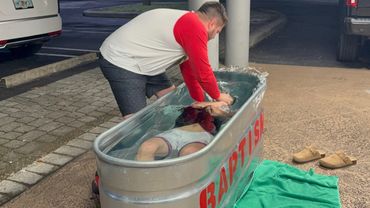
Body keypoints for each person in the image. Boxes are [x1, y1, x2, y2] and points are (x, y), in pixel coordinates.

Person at [99, 2, 234, 119]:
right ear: (212, 24)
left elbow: (190, 70)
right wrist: (218, 96)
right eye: (217, 31)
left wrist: (200, 101)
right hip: (121, 60)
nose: (215, 36)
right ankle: (133, 146)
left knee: (172, 99)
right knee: (135, 121)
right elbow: (203, 72)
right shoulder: (195, 27)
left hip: (145, 61)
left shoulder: (189, 21)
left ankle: (169, 131)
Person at [136, 101, 234, 161]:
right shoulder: (198, 101)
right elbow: (196, 105)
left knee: (190, 153)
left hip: (201, 136)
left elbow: (225, 113)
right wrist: (209, 104)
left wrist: (215, 105)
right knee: (147, 147)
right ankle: (145, 188)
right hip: (177, 132)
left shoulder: (223, 106)